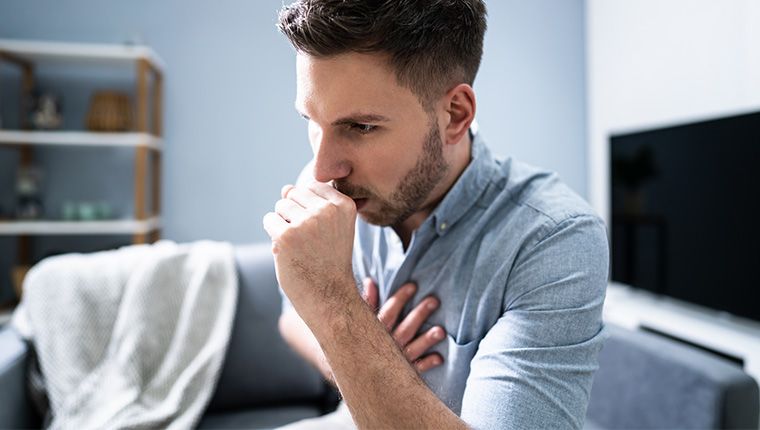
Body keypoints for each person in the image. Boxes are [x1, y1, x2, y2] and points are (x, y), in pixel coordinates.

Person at [262, 1, 609, 428]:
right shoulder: (329, 182)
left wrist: (339, 313)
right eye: (312, 120)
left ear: (455, 115)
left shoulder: (554, 239)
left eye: (361, 127)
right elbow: (289, 317)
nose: (321, 169)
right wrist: (356, 354)